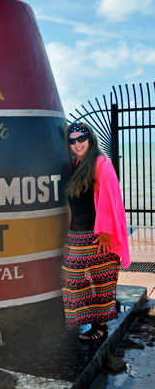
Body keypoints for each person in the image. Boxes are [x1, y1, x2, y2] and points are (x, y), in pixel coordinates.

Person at [61, 122, 130, 341]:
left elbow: (111, 199)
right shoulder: (81, 163)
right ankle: (86, 321)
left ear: (90, 138)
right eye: (72, 141)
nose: (77, 144)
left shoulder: (100, 162)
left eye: (81, 138)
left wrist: (105, 233)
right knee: (73, 278)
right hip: (77, 234)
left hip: (97, 236)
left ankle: (99, 327)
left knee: (100, 281)